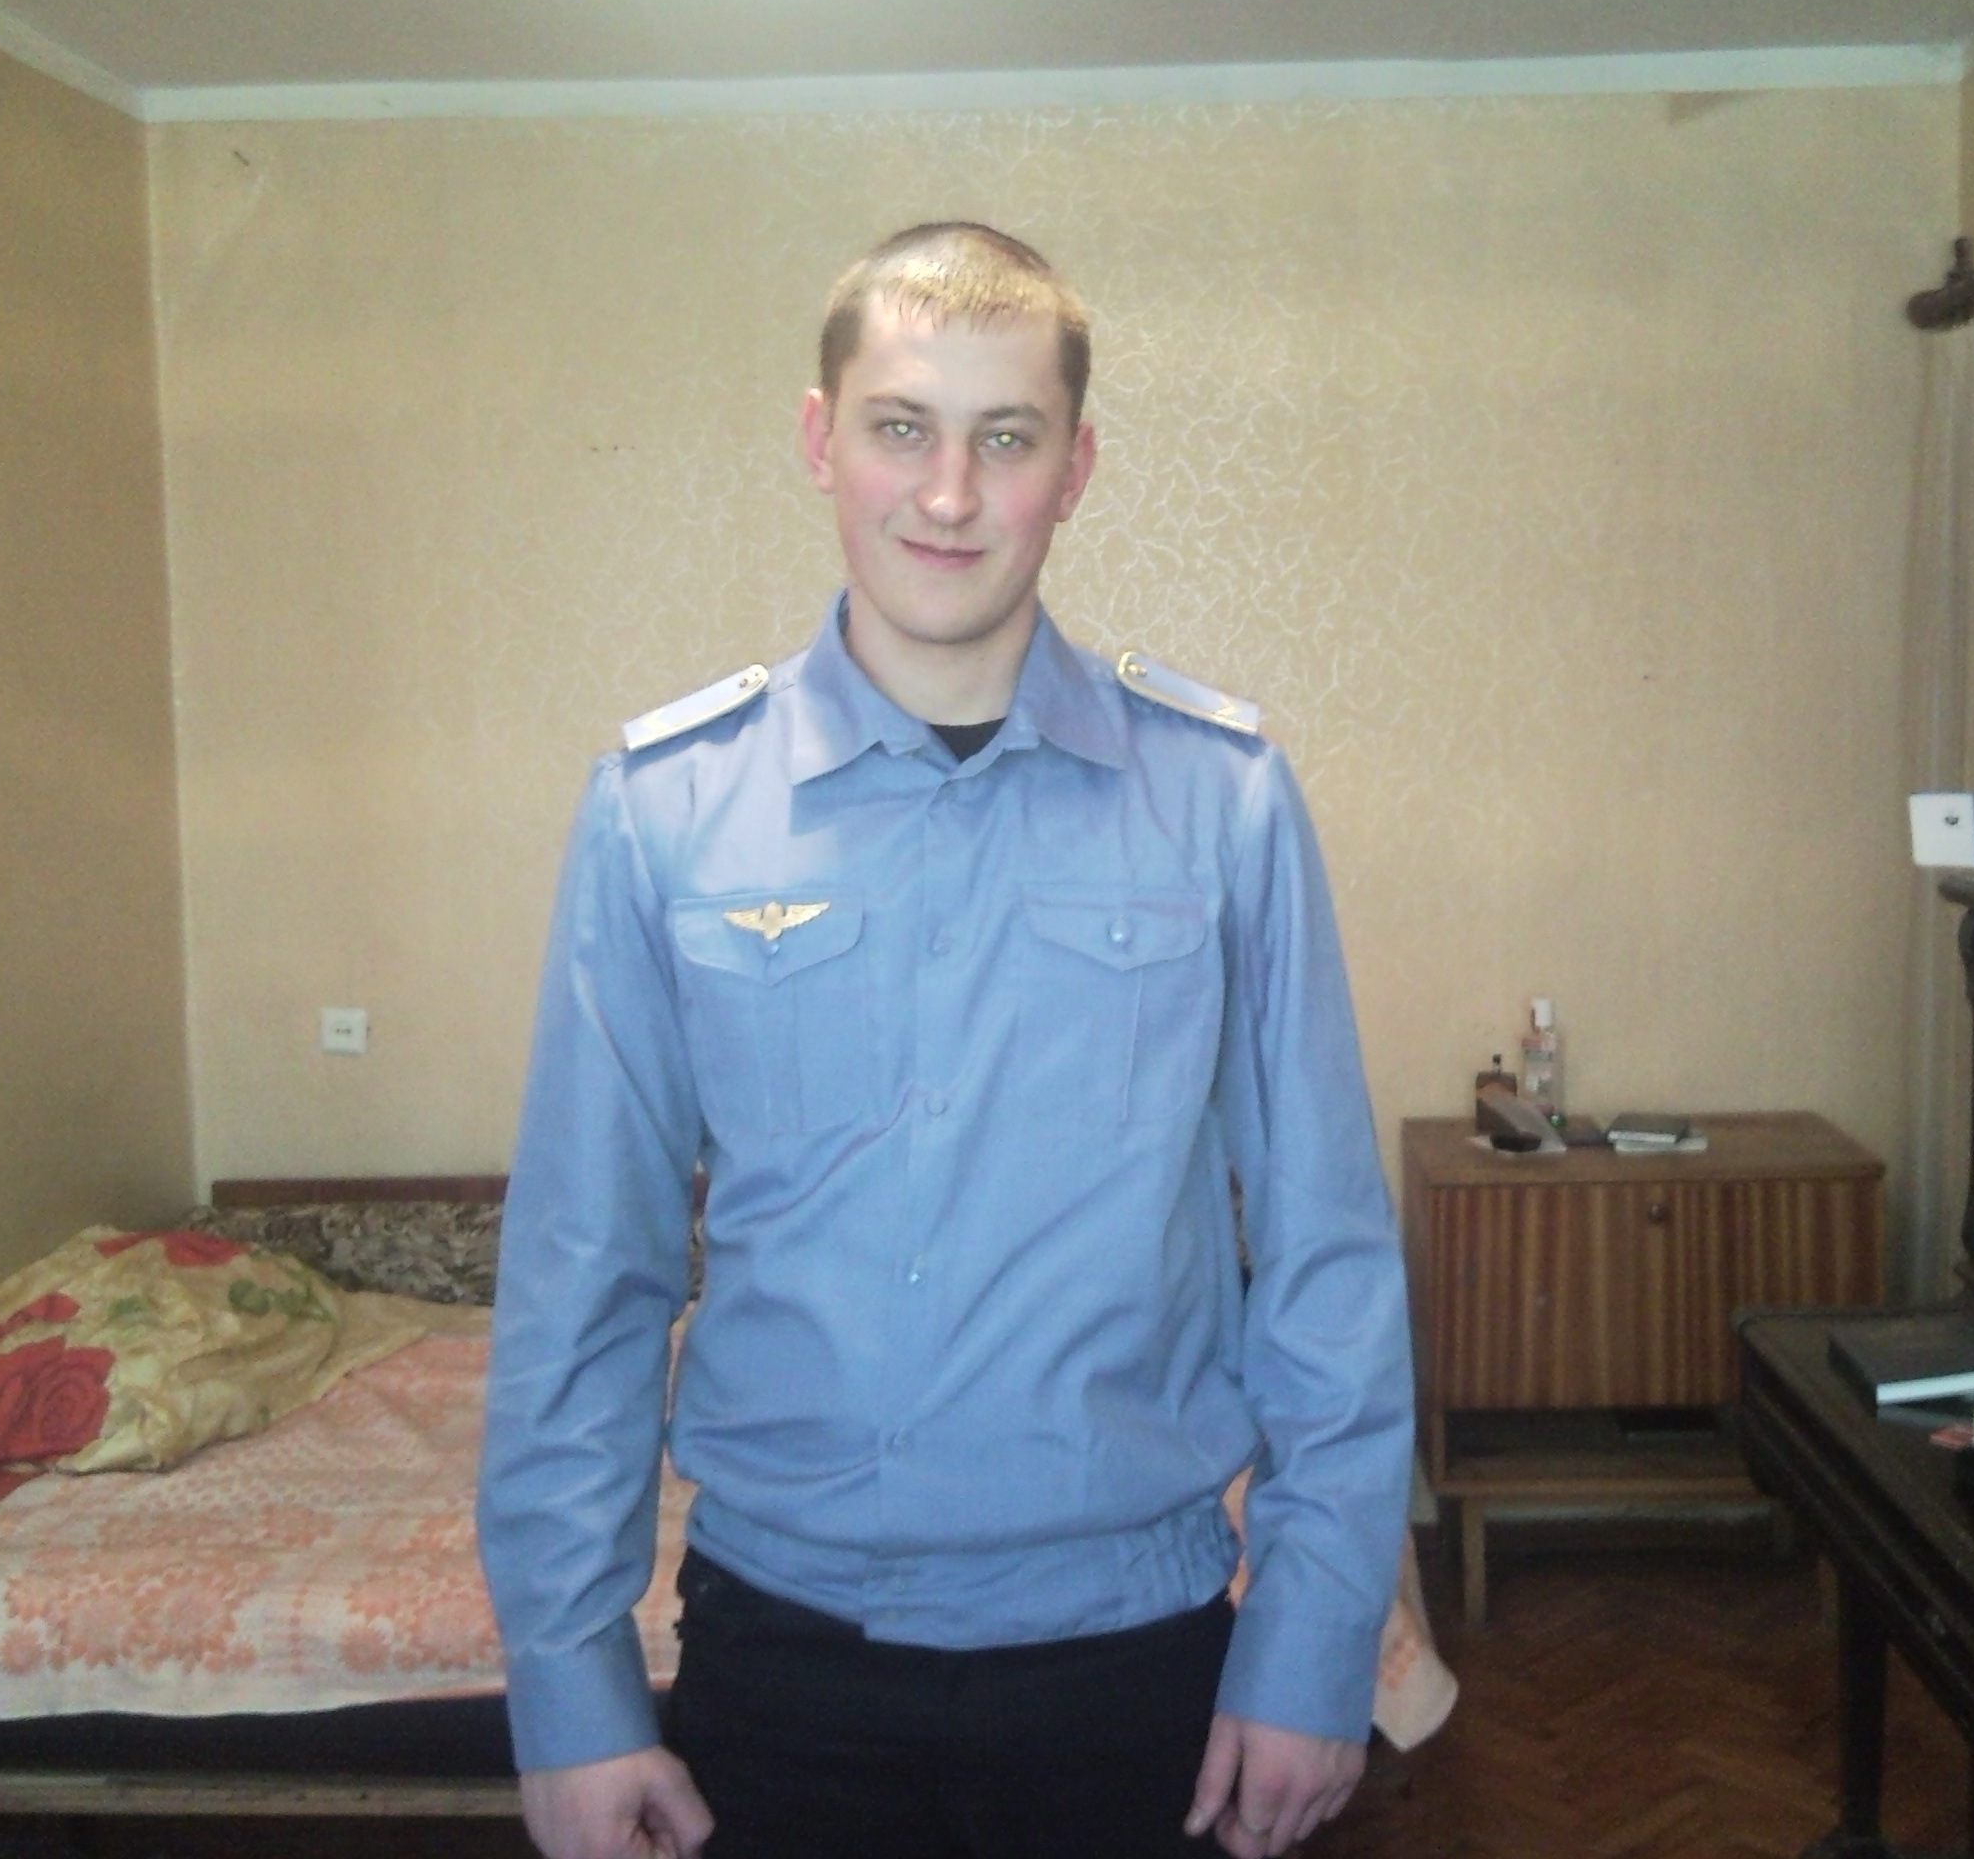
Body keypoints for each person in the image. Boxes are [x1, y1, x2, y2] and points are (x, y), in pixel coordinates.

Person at [478, 222, 1411, 1859]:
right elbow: (585, 1271)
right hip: (781, 1663)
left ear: (1076, 467)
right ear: (820, 440)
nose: (951, 494)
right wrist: (568, 1680)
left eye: (1008, 437)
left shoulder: (1223, 803)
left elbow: (1325, 1257)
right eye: (903, 427)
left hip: (1138, 1665)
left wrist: (1320, 1640)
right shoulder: (664, 814)